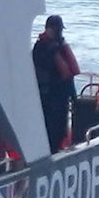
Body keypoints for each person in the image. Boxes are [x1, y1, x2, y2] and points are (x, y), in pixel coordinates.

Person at [32, 14, 80, 151]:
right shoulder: (40, 47)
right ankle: (49, 150)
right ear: (47, 29)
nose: (59, 33)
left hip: (61, 95)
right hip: (47, 96)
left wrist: (73, 94)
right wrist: (52, 53)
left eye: (60, 29)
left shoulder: (61, 46)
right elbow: (41, 67)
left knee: (60, 127)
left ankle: (56, 148)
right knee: (49, 127)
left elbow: (69, 75)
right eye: (55, 29)